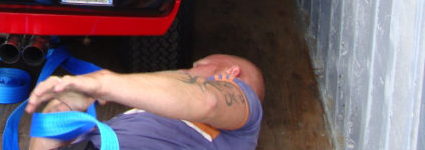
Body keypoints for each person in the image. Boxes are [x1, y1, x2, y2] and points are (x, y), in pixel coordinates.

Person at [25, 54, 264, 150]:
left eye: (197, 66)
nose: (184, 70)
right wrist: (62, 110)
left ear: (231, 72)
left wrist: (102, 83)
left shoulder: (245, 104)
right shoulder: (140, 118)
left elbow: (208, 100)